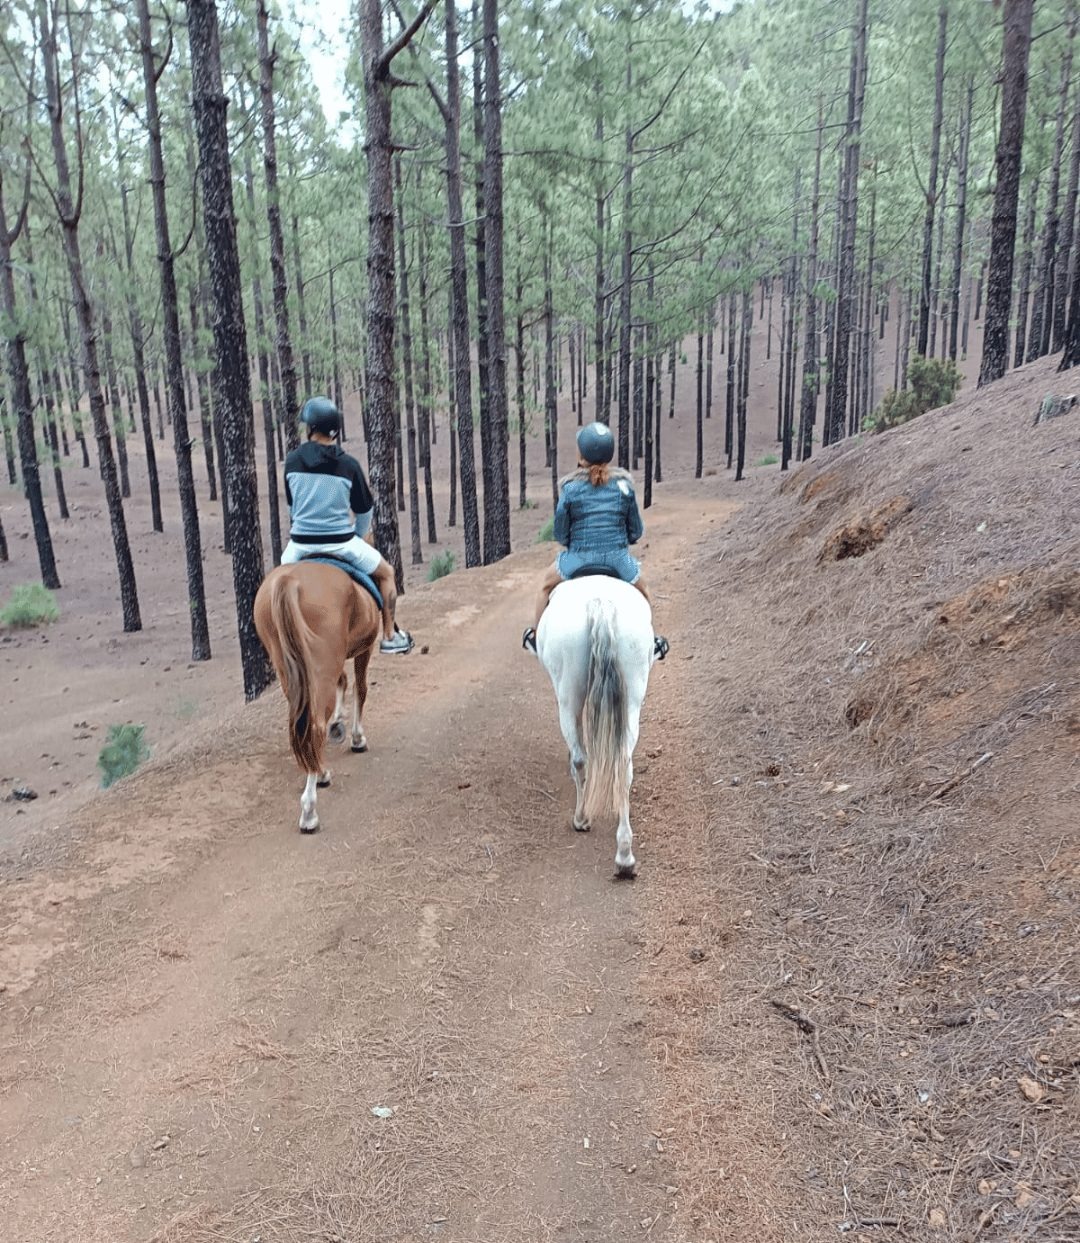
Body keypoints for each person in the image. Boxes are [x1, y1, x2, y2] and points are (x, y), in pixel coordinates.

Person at [522, 421, 667, 659]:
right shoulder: (624, 487)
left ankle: (538, 640)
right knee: (646, 591)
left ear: (582, 457)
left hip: (578, 559)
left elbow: (560, 533)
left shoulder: (570, 489)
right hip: (618, 560)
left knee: (544, 587)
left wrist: (571, 543)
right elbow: (636, 532)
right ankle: (652, 643)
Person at [281, 396, 413, 655]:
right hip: (342, 543)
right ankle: (389, 636)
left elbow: (292, 508)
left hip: (299, 547)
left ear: (310, 429)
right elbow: (364, 511)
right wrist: (357, 536)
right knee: (387, 573)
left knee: (277, 586)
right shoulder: (349, 465)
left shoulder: (293, 462)